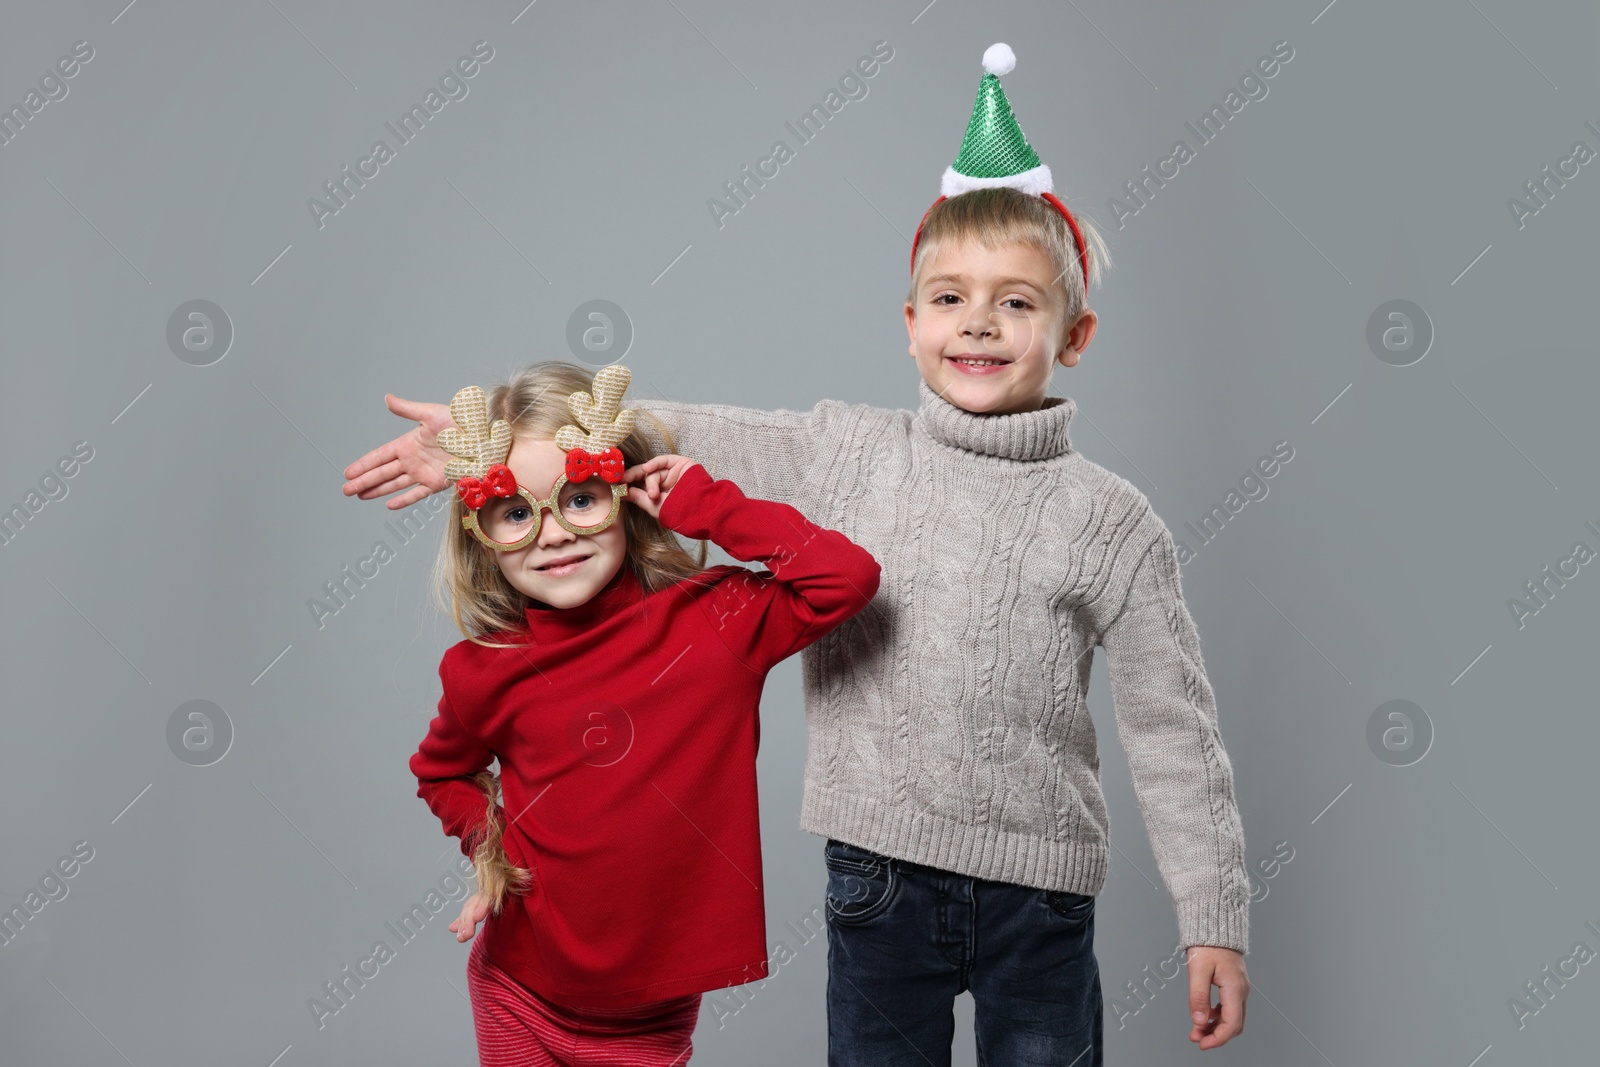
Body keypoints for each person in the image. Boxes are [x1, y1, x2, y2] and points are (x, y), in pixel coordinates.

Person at [359, 44, 1250, 1066]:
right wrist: (517, 448)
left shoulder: (1113, 520)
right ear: (911, 325)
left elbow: (1172, 727)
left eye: (1016, 301)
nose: (980, 322)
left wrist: (1211, 910)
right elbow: (684, 429)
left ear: (1075, 332)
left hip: (1039, 887)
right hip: (875, 875)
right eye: (950, 297)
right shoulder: (850, 450)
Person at [407, 362, 880, 1066]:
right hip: (517, 985)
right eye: (516, 513)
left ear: (623, 494)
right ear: (482, 534)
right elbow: (440, 772)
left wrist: (708, 504)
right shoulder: (483, 668)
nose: (554, 533)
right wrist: (493, 847)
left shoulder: (716, 622)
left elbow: (845, 577)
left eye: (580, 498)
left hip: (646, 1022)